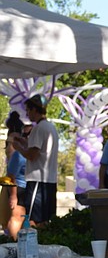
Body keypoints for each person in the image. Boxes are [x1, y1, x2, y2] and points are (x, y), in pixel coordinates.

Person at [12, 95, 58, 225]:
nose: (27, 113)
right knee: (46, 220)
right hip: (50, 180)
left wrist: (18, 147)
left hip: (38, 180)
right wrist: (24, 142)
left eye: (28, 110)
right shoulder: (50, 127)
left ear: (34, 110)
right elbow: (41, 149)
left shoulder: (39, 128)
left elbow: (33, 155)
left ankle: (35, 245)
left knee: (34, 221)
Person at [3, 112, 27, 239]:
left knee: (17, 216)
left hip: (14, 181)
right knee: (16, 216)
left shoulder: (10, 138)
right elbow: (13, 169)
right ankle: (13, 242)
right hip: (17, 182)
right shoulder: (16, 139)